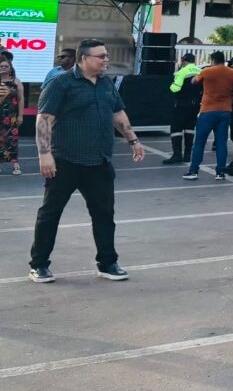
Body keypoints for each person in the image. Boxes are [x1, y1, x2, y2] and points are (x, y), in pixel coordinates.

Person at [28, 38, 145, 283]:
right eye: (101, 56)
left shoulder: (106, 83)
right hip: (65, 161)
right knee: (50, 214)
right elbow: (44, 119)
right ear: (84, 58)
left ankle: (107, 263)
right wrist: (45, 154)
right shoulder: (61, 83)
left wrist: (133, 140)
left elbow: (118, 113)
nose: (106, 60)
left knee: (104, 215)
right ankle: (39, 265)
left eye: (106, 55)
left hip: (99, 162)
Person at [182, 50, 233, 182]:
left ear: (213, 60)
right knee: (221, 143)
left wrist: (200, 74)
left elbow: (194, 81)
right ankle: (220, 173)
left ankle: (193, 171)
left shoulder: (207, 71)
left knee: (199, 142)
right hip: (225, 111)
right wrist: (230, 102)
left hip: (207, 111)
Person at [163, 52, 202, 165]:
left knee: (176, 129)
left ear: (184, 61)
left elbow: (175, 89)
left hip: (181, 105)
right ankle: (187, 155)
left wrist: (171, 85)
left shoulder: (182, 72)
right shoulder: (200, 71)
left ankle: (177, 155)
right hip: (195, 105)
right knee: (190, 128)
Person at [1, 55, 24, 174]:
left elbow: (21, 99)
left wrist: (20, 115)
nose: (3, 68)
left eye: (6, 66)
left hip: (11, 117)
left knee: (12, 140)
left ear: (10, 68)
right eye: (1, 66)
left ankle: (15, 164)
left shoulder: (16, 81)